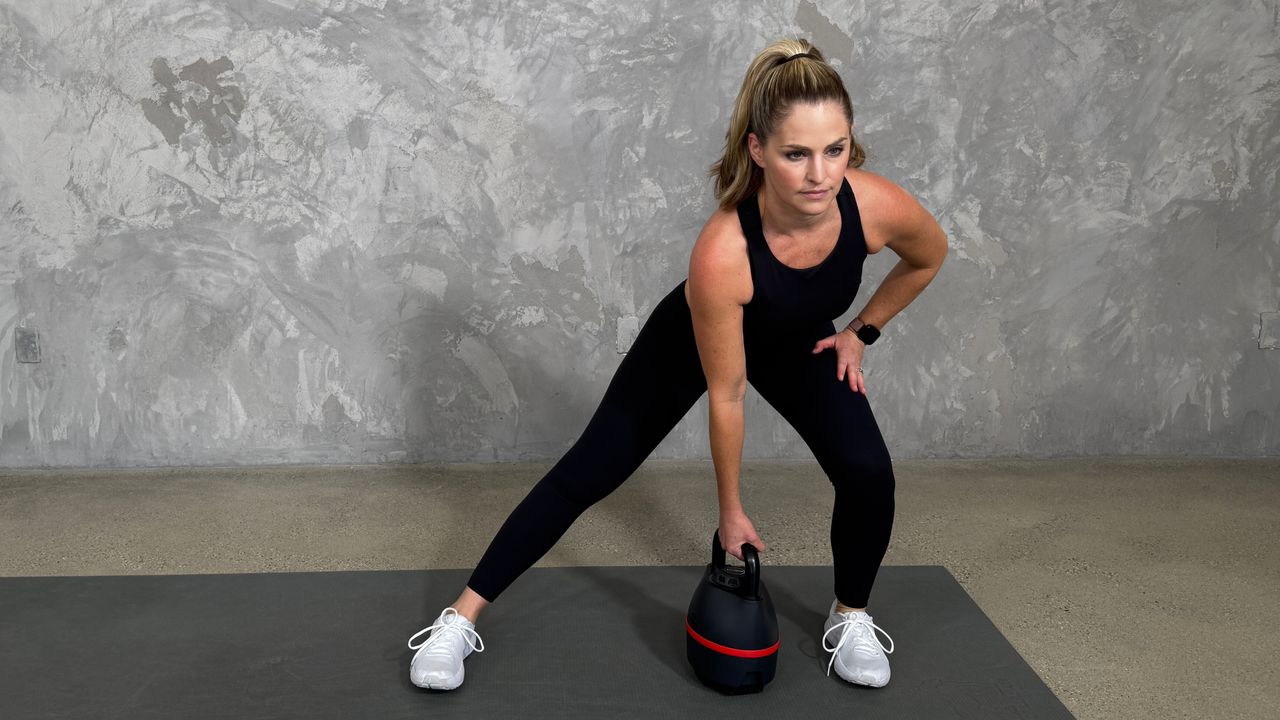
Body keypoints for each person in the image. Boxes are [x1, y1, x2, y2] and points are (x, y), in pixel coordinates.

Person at [405, 37, 948, 691]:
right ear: (757, 149)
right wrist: (730, 513)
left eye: (834, 149)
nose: (819, 175)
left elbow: (929, 256)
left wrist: (863, 331)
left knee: (867, 473)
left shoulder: (875, 207)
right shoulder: (723, 253)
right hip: (693, 339)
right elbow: (727, 394)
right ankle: (459, 620)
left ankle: (850, 616)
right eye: (796, 154)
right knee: (588, 472)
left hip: (798, 341)